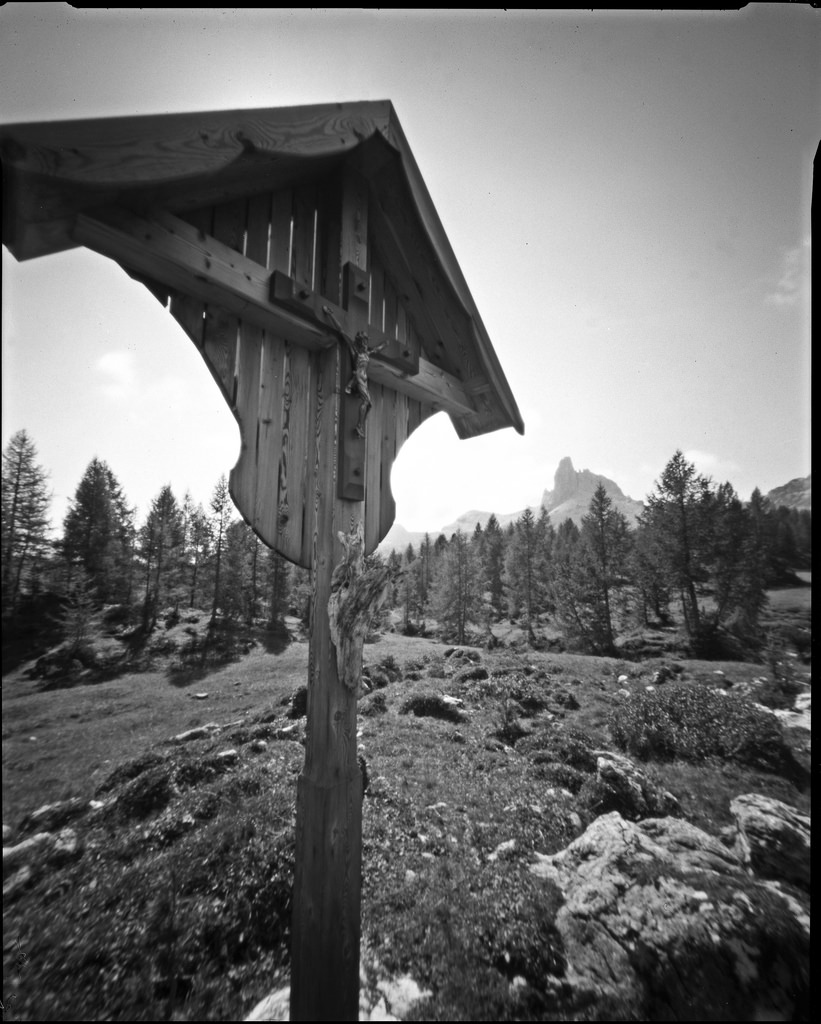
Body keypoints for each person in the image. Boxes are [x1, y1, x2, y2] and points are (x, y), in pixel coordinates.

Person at [323, 306, 387, 437]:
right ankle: (359, 426)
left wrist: (385, 344)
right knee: (366, 402)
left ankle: (360, 426)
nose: (365, 344)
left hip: (364, 379)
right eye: (363, 341)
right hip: (358, 378)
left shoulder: (367, 353)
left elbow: (377, 349)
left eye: (366, 342)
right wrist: (331, 315)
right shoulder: (355, 351)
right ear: (359, 342)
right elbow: (342, 331)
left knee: (370, 405)